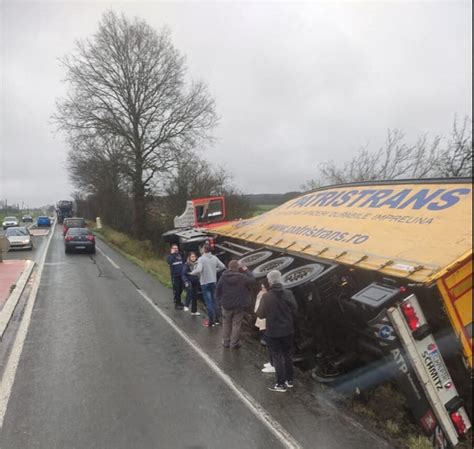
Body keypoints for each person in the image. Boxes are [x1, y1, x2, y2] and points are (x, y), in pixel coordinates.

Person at [256, 270, 297, 393]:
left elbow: (260, 314)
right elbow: (295, 309)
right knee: (288, 355)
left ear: (269, 281)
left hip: (273, 331)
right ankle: (290, 380)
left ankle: (280, 384)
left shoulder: (266, 296)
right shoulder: (288, 293)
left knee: (277, 356)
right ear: (280, 279)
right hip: (288, 330)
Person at [216, 260, 256, 349]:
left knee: (226, 323)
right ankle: (234, 344)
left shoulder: (223, 277)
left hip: (226, 305)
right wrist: (246, 270)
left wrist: (220, 301)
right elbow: (253, 280)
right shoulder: (242, 277)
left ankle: (226, 342)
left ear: (229, 267)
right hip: (239, 305)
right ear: (238, 268)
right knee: (236, 324)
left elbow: (218, 289)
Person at [190, 243, 226, 327]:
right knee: (215, 301)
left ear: (204, 250)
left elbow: (198, 270)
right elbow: (223, 266)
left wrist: (192, 273)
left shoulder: (201, 259)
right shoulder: (214, 257)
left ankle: (211, 321)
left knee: (208, 302)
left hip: (205, 283)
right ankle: (217, 319)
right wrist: (214, 270)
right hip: (213, 282)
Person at [254, 283, 275, 373]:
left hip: (266, 322)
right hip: (264, 322)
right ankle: (272, 362)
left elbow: (258, 311)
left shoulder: (265, 297)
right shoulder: (262, 295)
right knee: (269, 344)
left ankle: (274, 365)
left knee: (271, 344)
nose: (262, 288)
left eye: (263, 287)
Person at [166, 244, 185, 310]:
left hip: (181, 275)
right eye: (174, 248)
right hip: (175, 276)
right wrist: (172, 254)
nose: (176, 249)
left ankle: (179, 301)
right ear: (171, 249)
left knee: (181, 289)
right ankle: (177, 304)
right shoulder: (170, 256)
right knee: (176, 289)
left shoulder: (179, 255)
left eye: (176, 248)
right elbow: (169, 262)